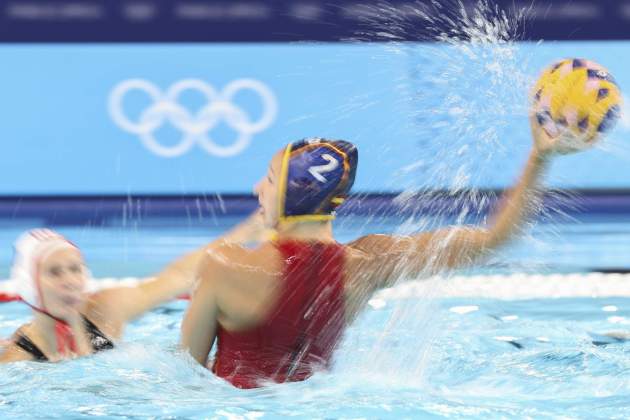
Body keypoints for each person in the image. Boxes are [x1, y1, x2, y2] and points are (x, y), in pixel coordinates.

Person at [181, 115, 586, 389]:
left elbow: (183, 380)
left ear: (290, 194)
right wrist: (540, 157)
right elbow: (495, 239)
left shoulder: (224, 266)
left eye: (269, 180)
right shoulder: (369, 264)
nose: (256, 189)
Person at [0, 212, 266, 363]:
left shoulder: (105, 310)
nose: (69, 280)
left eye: (75, 269)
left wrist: (246, 232)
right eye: (54, 272)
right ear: (29, 285)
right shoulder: (18, 356)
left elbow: (178, 276)